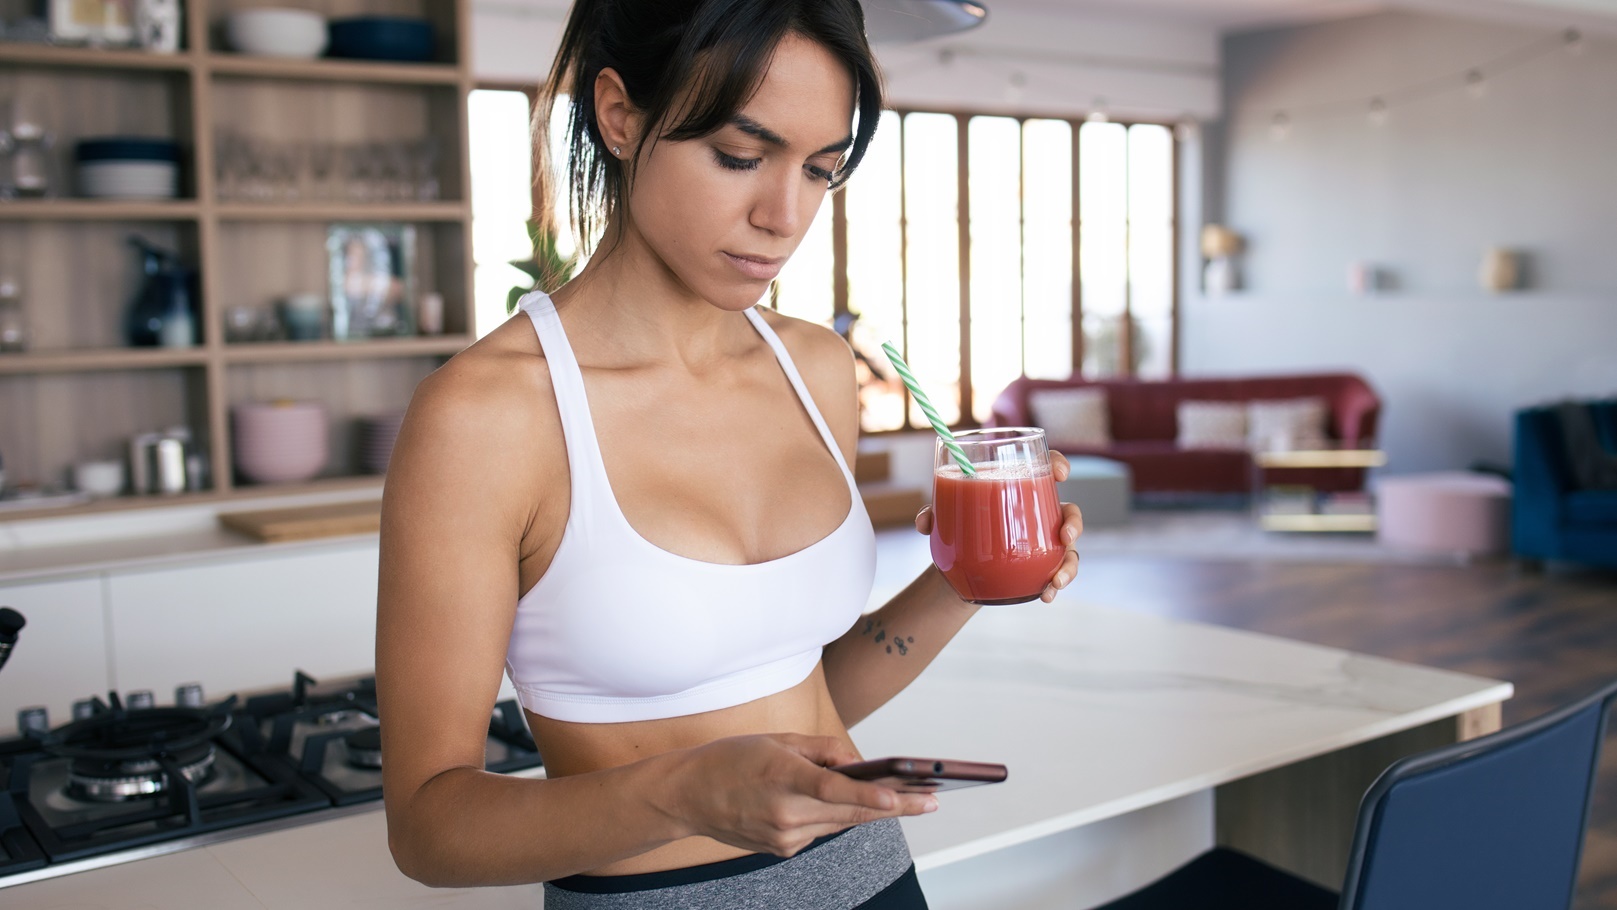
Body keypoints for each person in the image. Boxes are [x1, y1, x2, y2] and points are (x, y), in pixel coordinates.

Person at [375, 1, 1084, 907]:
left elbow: (806, 691)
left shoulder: (815, 370)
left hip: (873, 879)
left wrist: (967, 572)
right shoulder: (486, 417)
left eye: (821, 170)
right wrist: (684, 792)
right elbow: (430, 827)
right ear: (620, 114)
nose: (782, 216)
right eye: (740, 157)